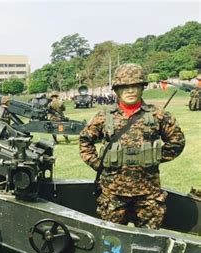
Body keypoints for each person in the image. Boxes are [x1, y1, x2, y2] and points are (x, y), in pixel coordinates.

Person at [79, 63, 185, 229]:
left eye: (135, 86)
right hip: (113, 194)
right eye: (124, 87)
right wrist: (98, 164)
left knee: (150, 242)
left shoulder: (157, 115)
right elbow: (85, 140)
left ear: (142, 88)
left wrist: (153, 156)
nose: (130, 91)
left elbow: (177, 141)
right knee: (111, 244)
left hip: (148, 193)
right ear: (116, 89)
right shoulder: (104, 116)